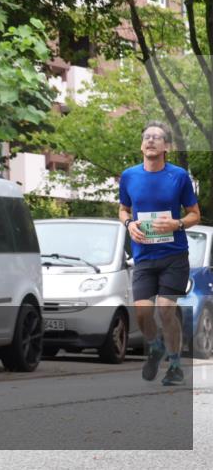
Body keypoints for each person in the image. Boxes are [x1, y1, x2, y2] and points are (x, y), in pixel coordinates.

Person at [118, 121, 201, 386]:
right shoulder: (129, 176)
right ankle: (155, 347)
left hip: (174, 256)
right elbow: (123, 210)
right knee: (142, 314)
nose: (151, 140)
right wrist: (129, 224)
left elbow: (194, 214)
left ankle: (175, 366)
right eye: (147, 137)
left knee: (166, 309)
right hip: (143, 257)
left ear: (166, 146)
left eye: (157, 137)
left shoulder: (178, 176)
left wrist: (177, 224)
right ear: (142, 145)